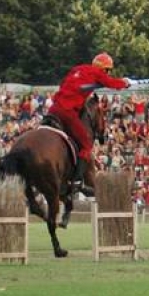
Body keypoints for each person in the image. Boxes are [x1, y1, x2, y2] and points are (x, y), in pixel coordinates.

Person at [48, 52, 133, 196]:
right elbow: (112, 83)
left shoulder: (78, 69)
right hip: (67, 112)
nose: (107, 73)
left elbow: (63, 84)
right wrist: (125, 83)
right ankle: (77, 181)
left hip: (53, 109)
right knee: (86, 145)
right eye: (108, 70)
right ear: (103, 68)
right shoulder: (97, 73)